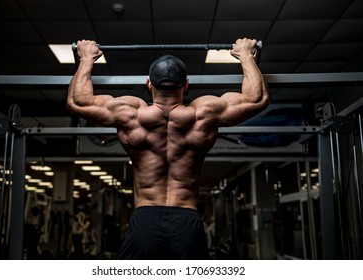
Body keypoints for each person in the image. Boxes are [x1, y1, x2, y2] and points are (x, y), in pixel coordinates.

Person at [67, 38, 269, 259]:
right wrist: (246, 56)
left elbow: (78, 101)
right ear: (186, 85)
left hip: (145, 219)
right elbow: (256, 99)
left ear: (149, 85)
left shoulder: (130, 115)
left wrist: (86, 58)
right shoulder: (204, 114)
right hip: (187, 221)